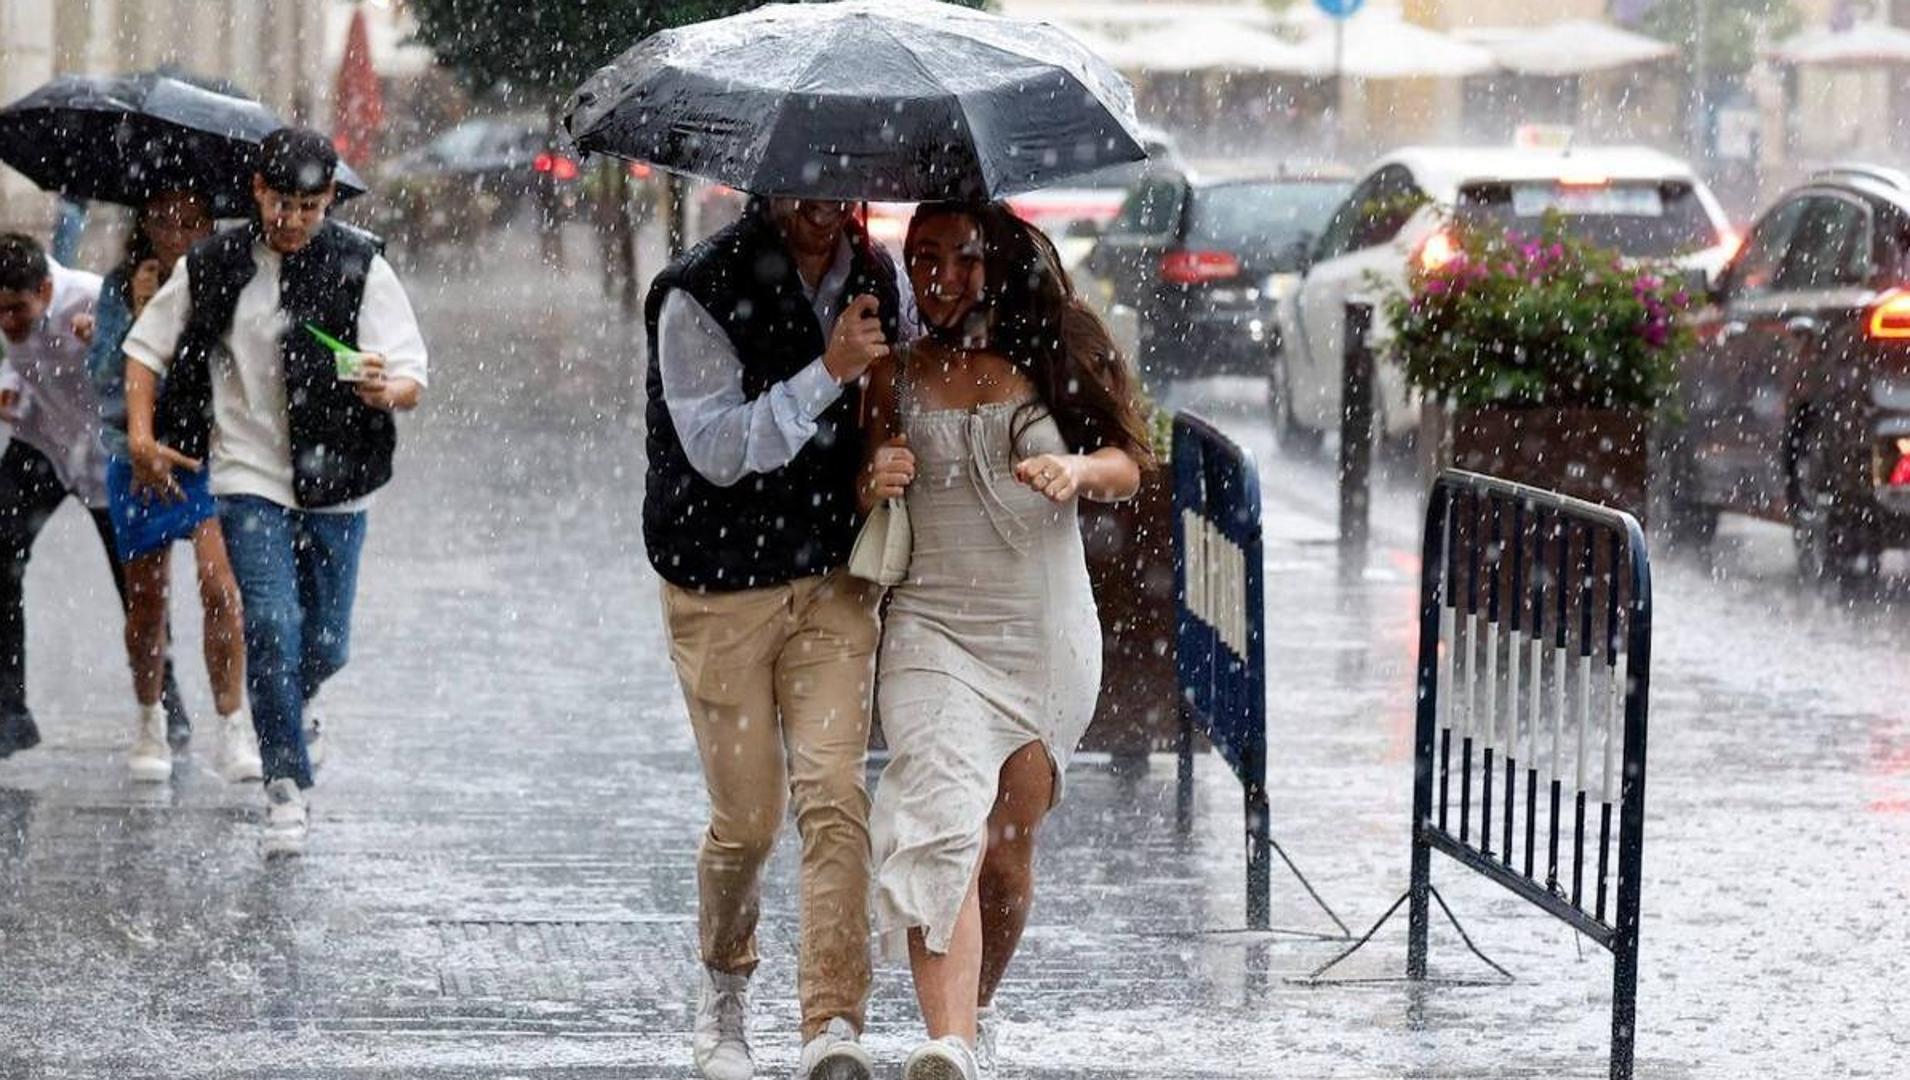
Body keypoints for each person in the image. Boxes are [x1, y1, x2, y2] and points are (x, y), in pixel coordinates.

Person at [860, 202, 1151, 1080]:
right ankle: (946, 1045)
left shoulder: (1048, 353)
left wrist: (1074, 467)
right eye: (921, 256)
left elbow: (1127, 465)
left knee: (1006, 853)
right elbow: (861, 476)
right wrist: (876, 471)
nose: (936, 273)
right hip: (930, 628)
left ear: (997, 263)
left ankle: (977, 1010)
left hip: (1039, 634)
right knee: (941, 823)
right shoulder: (891, 370)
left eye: (958, 255)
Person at [645, 196, 901, 1080]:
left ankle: (833, 1022)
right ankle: (723, 986)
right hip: (720, 588)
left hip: (831, 582)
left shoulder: (874, 273)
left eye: (839, 189)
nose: (823, 209)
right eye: (803, 189)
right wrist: (827, 369)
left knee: (834, 795)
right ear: (763, 184)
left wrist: (878, 461)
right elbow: (718, 447)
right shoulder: (696, 293)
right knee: (748, 822)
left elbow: (884, 404)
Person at [121, 128, 427, 855]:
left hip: (341, 479)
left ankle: (289, 704)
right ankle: (285, 786)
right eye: (282, 203)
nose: (292, 220)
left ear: (328, 203)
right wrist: (140, 433)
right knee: (269, 624)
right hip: (246, 474)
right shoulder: (215, 262)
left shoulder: (361, 264)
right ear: (257, 191)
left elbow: (411, 372)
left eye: (310, 207)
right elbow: (145, 347)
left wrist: (388, 389)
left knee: (326, 643)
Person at [0, 232, 189, 764]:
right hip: (46, 443)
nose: (8, 323)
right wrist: (10, 384)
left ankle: (165, 700)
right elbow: (19, 360)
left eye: (17, 310)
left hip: (108, 454)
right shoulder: (11, 313)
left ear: (44, 287)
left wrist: (106, 338)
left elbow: (148, 358)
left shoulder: (92, 298)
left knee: (138, 584)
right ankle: (9, 710)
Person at [87, 189, 252, 784]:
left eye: (191, 221)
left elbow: (240, 363)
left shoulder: (226, 280)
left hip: (209, 454)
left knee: (220, 587)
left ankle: (233, 725)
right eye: (162, 221)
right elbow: (104, 371)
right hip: (139, 456)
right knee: (148, 600)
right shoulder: (120, 285)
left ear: (210, 224)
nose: (177, 233)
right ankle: (148, 716)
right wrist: (137, 310)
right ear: (145, 225)